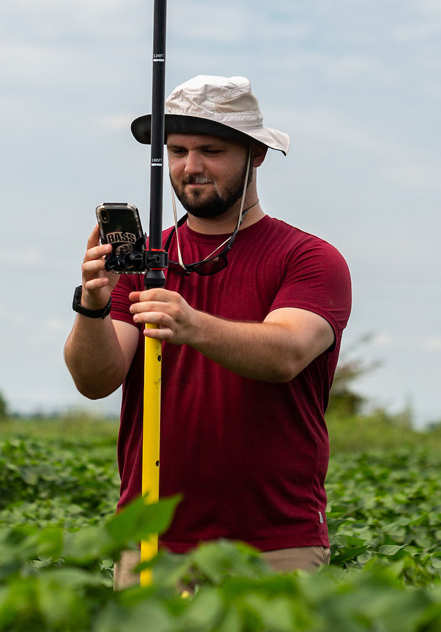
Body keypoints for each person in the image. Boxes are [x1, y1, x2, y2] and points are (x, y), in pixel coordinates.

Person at [63, 74, 352, 586]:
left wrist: (190, 322)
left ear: (256, 155)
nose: (190, 167)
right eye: (177, 151)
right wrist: (92, 304)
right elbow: (95, 380)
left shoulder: (309, 259)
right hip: (150, 539)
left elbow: (285, 353)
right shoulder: (144, 260)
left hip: (274, 544)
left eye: (211, 150)